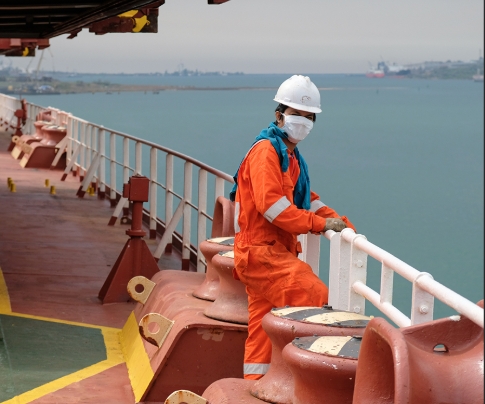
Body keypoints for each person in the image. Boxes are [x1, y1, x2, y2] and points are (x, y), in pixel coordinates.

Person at [230, 75, 356, 380]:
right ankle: (317, 382)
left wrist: (342, 223)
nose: (303, 121)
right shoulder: (266, 153)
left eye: (309, 116)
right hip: (262, 252)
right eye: (296, 114)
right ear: (279, 115)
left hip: (269, 253)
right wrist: (321, 225)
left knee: (263, 325)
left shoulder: (289, 157)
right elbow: (274, 209)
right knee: (316, 297)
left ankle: (256, 384)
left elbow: (306, 200)